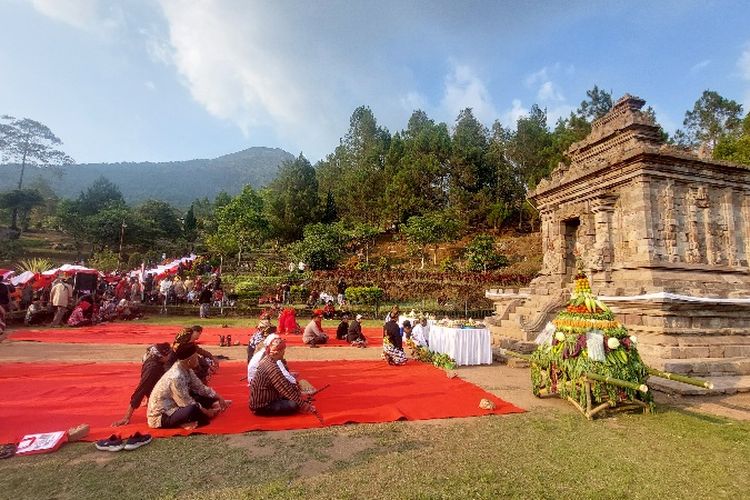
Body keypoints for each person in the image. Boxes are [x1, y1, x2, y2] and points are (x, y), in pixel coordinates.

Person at [147, 343, 228, 429]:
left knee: (199, 394)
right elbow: (186, 404)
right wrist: (207, 412)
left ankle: (211, 406)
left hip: (176, 404)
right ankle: (184, 423)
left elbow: (200, 387)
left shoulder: (186, 368)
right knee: (193, 410)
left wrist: (219, 397)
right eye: (196, 358)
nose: (198, 360)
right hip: (162, 415)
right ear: (189, 361)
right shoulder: (176, 377)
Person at [249, 337, 315, 416]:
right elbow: (285, 389)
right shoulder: (272, 368)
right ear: (278, 352)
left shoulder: (267, 359)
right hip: (263, 406)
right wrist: (304, 405)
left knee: (292, 396)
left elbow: (283, 381)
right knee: (294, 404)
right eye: (283, 351)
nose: (284, 353)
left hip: (263, 400)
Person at [112, 343, 172, 426]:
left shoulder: (151, 358)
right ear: (161, 356)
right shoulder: (153, 369)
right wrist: (127, 417)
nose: (170, 357)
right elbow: (141, 390)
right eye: (169, 354)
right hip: (160, 400)